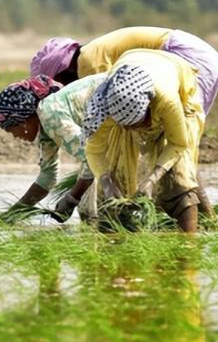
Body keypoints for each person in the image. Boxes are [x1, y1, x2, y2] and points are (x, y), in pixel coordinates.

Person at [82, 48, 205, 233]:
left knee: (180, 176)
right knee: (115, 181)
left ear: (148, 109)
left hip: (175, 78)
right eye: (126, 125)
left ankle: (187, 243)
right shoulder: (106, 107)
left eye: (137, 123)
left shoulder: (167, 100)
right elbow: (94, 150)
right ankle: (111, 238)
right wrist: (107, 183)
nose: (132, 131)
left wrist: (151, 180)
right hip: (129, 64)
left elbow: (178, 143)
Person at [0, 73, 108, 223]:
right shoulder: (45, 127)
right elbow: (47, 177)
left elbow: (93, 157)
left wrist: (72, 198)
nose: (15, 136)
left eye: (12, 129)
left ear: (24, 120)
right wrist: (11, 215)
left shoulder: (50, 115)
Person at [29, 26, 218, 115]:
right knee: (181, 128)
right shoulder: (92, 53)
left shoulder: (88, 63)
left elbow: (107, 109)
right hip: (202, 55)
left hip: (188, 57)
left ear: (63, 72)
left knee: (184, 123)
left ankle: (184, 191)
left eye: (58, 83)